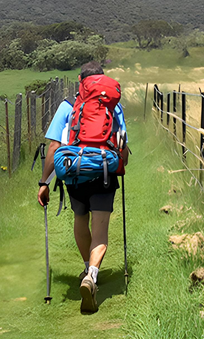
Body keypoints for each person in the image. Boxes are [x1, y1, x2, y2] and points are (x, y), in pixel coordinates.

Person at [37, 61, 128, 313]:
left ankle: (87, 266)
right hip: (104, 172)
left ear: (80, 80)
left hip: (74, 172)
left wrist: (44, 182)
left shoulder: (68, 105)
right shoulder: (113, 105)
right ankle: (92, 276)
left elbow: (54, 147)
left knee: (80, 219)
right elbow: (123, 149)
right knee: (100, 230)